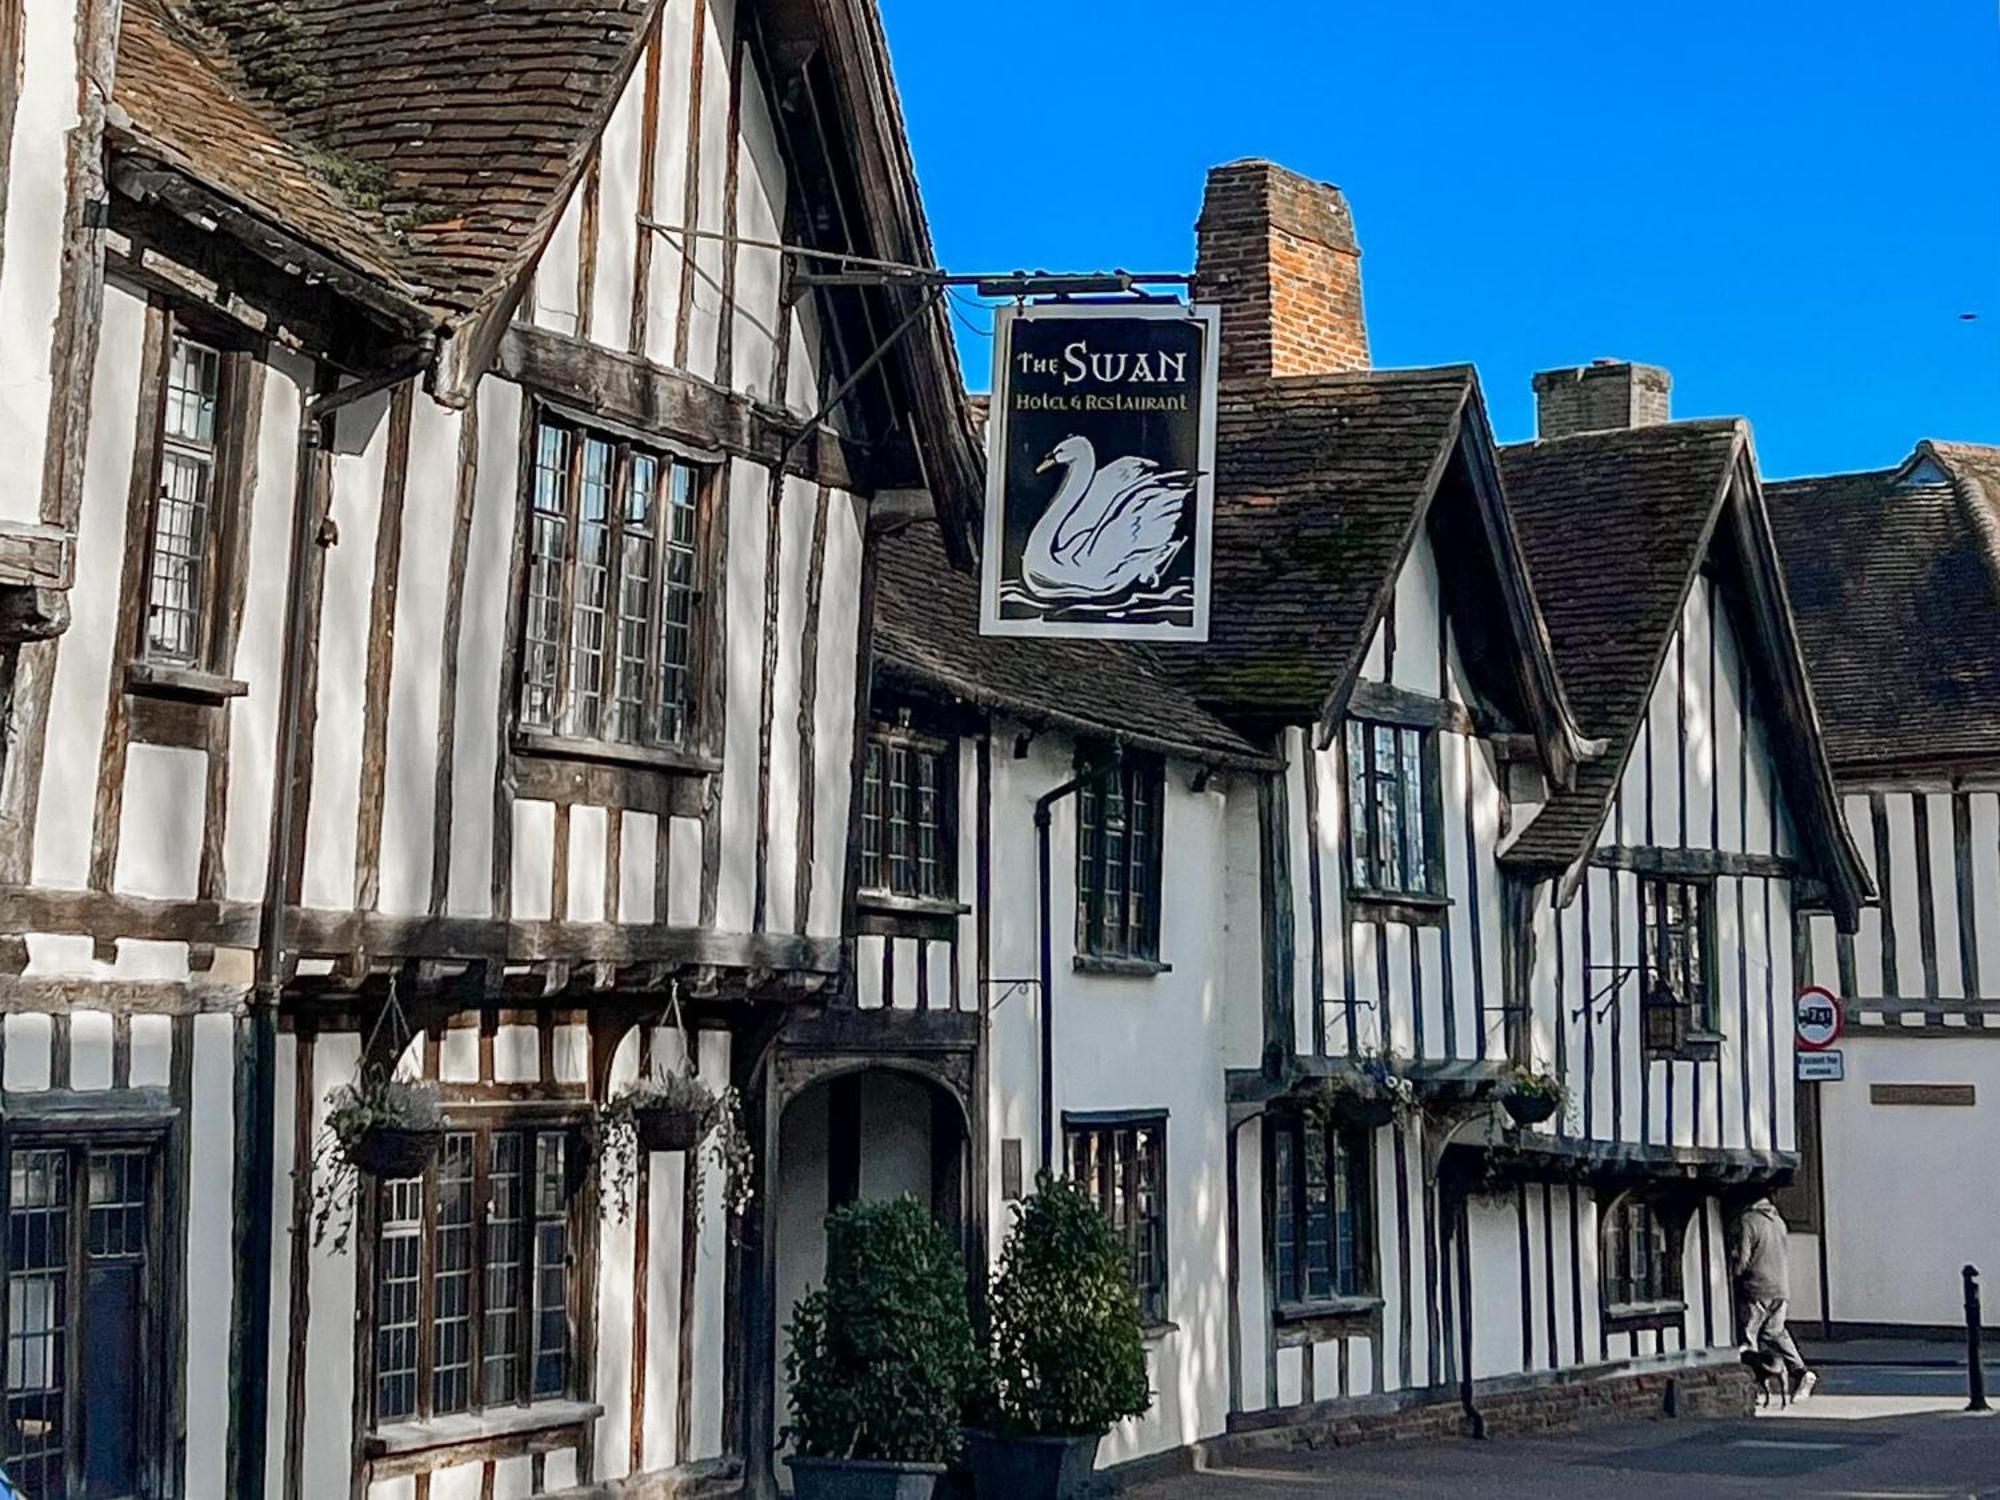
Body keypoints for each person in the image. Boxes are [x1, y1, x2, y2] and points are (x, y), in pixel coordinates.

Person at [1732, 1195, 1817, 1401]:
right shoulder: (1778, 1221)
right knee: (1776, 1332)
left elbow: (1744, 1257)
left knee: (1748, 1336)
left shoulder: (1748, 1220)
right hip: (1780, 1288)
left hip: (1756, 1286)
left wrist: (1735, 1273)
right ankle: (1801, 1371)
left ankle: (1753, 1385)